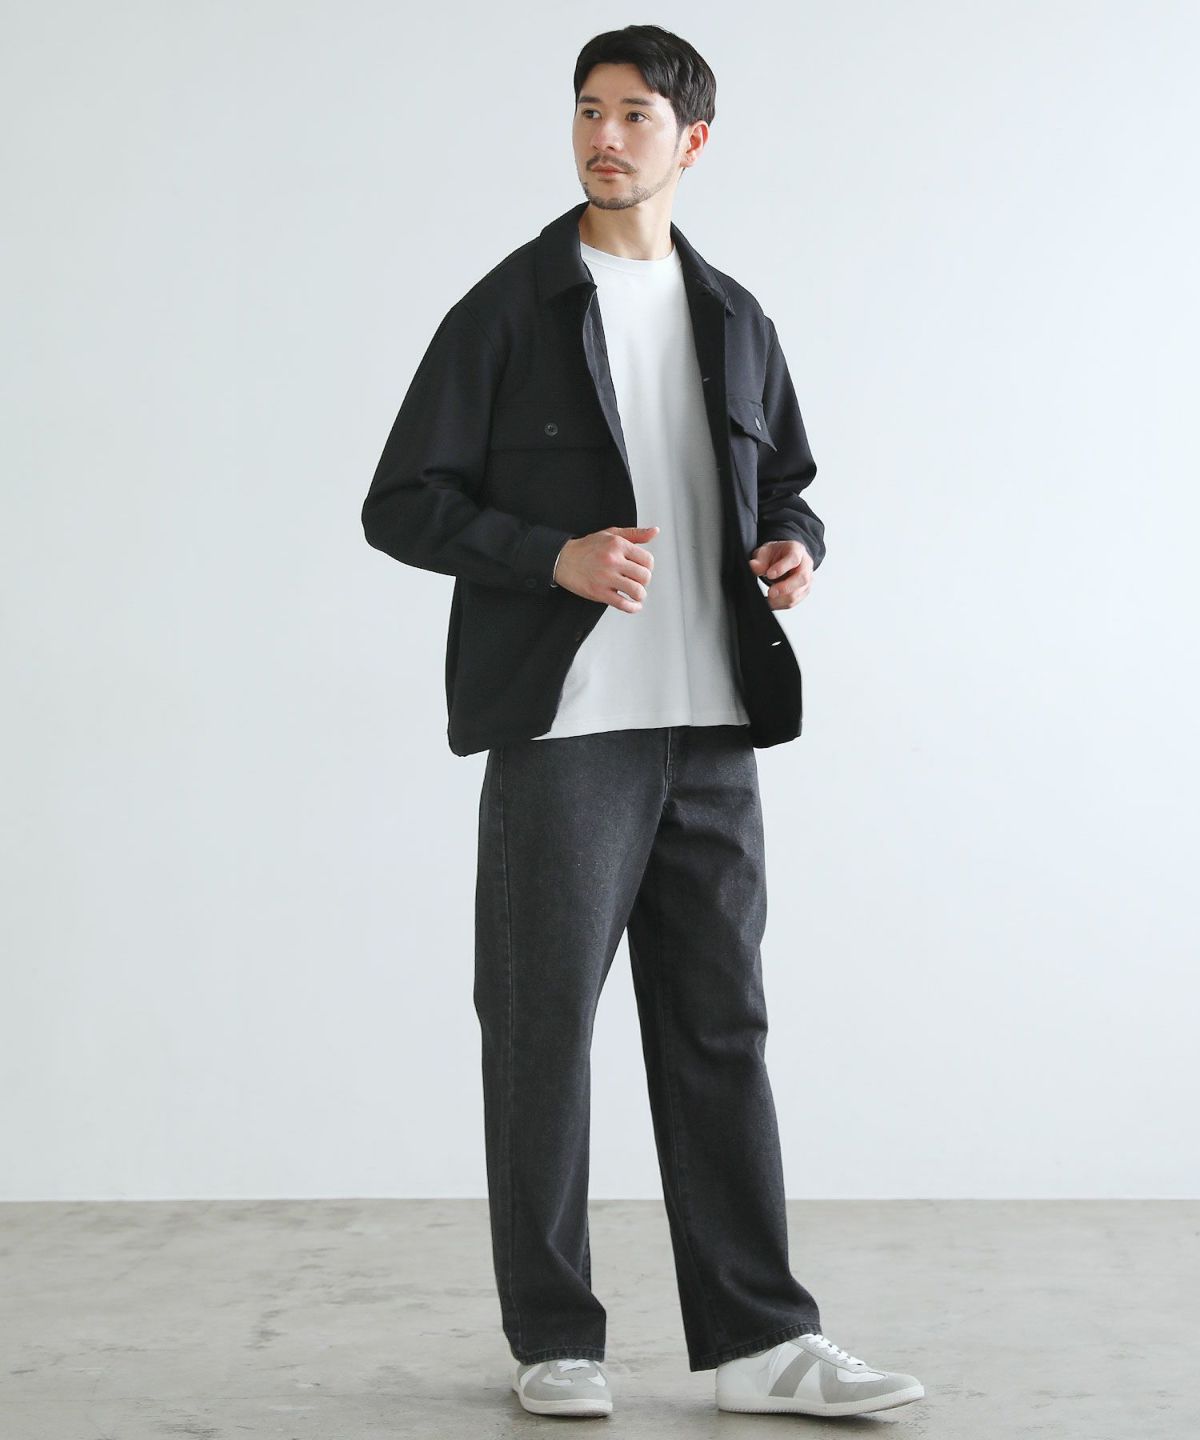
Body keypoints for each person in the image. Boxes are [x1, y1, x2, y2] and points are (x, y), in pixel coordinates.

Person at [361, 23, 925, 1421]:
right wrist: (547, 556)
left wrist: (794, 547)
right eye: (587, 111)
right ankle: (556, 1334)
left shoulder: (736, 318)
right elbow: (401, 502)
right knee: (541, 1030)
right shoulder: (510, 309)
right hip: (569, 733)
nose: (604, 138)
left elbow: (788, 483)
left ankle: (759, 1343)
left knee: (720, 1028)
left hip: (713, 726)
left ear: (693, 140)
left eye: (634, 115)